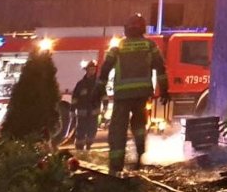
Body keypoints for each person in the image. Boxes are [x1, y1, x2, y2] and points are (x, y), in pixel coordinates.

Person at [98, 13, 168, 175]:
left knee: (118, 129)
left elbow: (105, 68)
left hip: (122, 95)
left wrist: (99, 88)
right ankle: (140, 154)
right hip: (142, 94)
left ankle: (116, 165)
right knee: (139, 125)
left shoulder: (118, 47)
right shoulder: (150, 46)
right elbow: (161, 68)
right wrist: (164, 90)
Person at [71, 61, 103, 151]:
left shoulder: (99, 84)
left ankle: (89, 146)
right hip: (82, 112)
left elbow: (104, 95)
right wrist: (72, 110)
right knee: (81, 130)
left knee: (92, 130)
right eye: (90, 69)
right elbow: (75, 98)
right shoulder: (80, 84)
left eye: (94, 69)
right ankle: (79, 148)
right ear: (87, 70)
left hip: (93, 112)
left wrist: (105, 106)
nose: (92, 71)